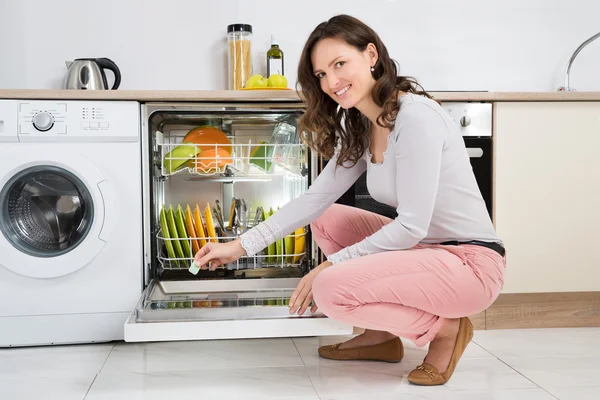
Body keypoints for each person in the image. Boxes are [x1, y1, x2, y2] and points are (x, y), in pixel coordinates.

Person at [192, 14, 506, 386]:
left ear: (371, 55)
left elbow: (411, 226)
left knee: (329, 289)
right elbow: (315, 199)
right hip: (424, 252)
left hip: (469, 265)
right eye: (321, 74)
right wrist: (240, 246)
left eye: (340, 64)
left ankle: (446, 330)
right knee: (327, 217)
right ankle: (380, 337)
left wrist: (330, 266)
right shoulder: (362, 125)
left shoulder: (416, 117)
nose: (332, 82)